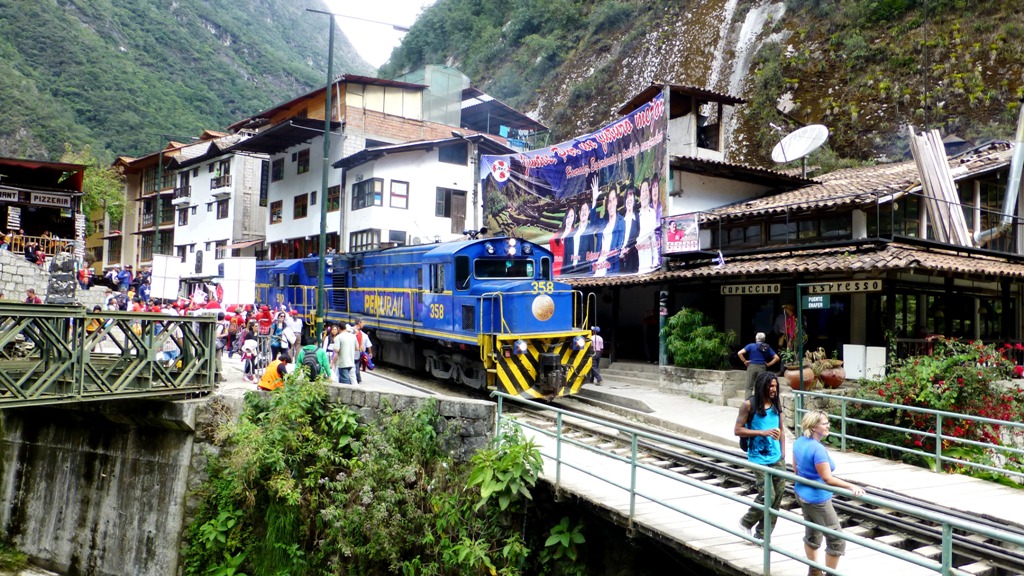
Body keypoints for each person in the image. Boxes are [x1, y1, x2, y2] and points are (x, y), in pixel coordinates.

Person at [793, 410, 865, 576]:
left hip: (802, 493)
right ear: (813, 427)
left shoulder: (799, 442)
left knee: (812, 532)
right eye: (824, 423)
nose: (828, 426)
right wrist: (850, 486)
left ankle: (814, 571)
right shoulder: (817, 449)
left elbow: (796, 469)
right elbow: (827, 478)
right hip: (818, 499)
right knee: (836, 539)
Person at [734, 371, 786, 541]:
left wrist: (783, 454)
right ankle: (745, 522)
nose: (774, 389)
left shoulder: (775, 403)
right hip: (758, 457)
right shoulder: (749, 405)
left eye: (775, 386)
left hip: (776, 457)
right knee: (767, 495)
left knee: (777, 498)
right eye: (771, 386)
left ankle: (763, 536)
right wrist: (762, 432)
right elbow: (738, 430)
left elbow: (782, 431)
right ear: (762, 386)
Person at [737, 332, 780, 397]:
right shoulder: (767, 347)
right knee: (761, 386)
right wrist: (768, 364)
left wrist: (745, 361)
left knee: (749, 386)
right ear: (764, 339)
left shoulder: (751, 346)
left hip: (752, 366)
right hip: (762, 367)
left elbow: (739, 353)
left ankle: (748, 403)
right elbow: (777, 358)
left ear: (756, 338)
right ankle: (760, 402)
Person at [354, 318, 372, 383]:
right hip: (355, 353)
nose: (363, 324)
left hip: (358, 353)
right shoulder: (354, 332)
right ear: (359, 323)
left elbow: (367, 344)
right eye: (363, 323)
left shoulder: (363, 335)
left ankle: (357, 379)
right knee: (356, 366)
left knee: (356, 366)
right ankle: (357, 379)